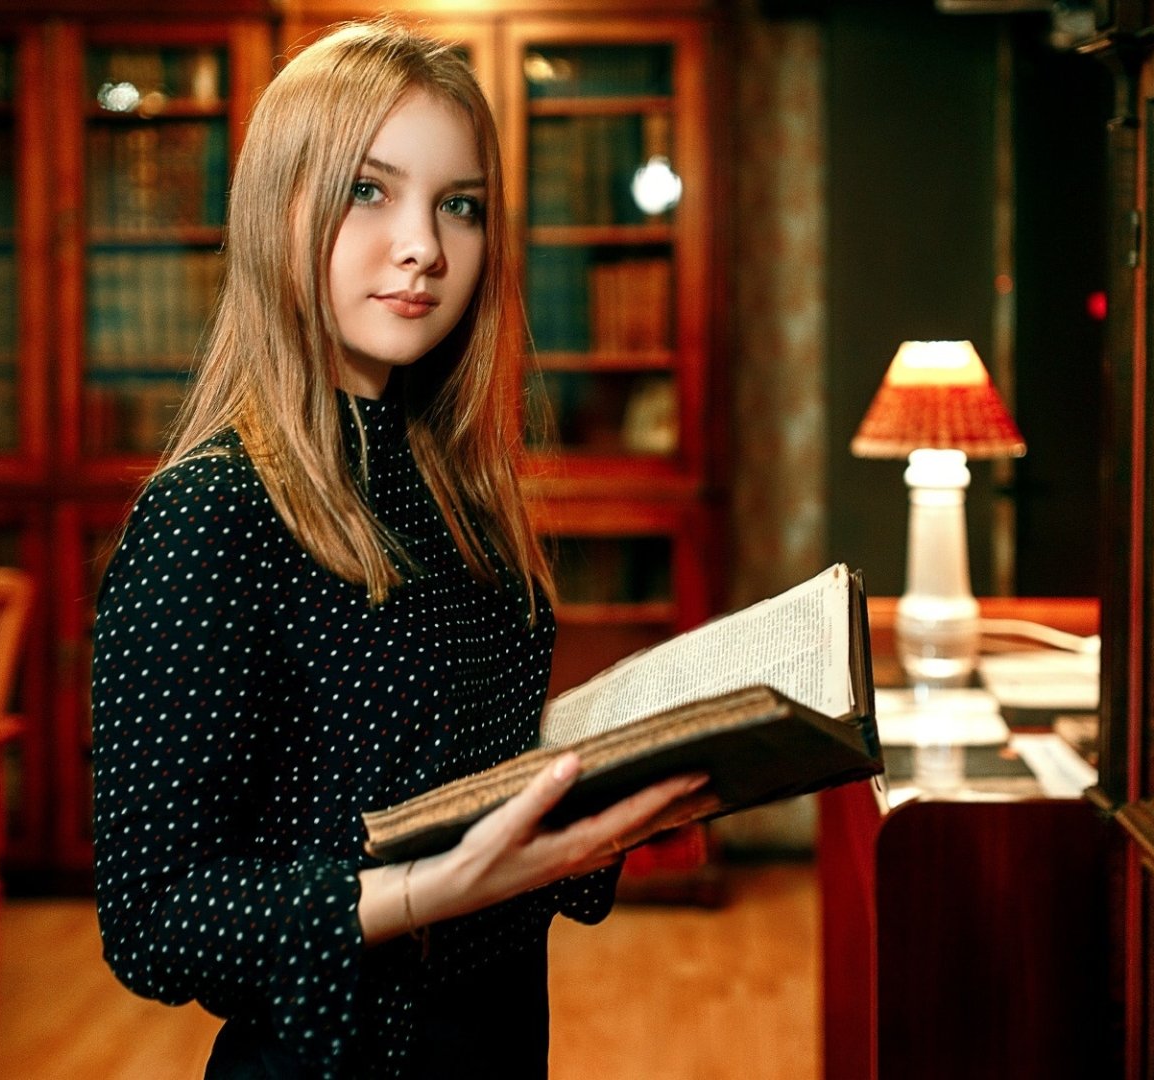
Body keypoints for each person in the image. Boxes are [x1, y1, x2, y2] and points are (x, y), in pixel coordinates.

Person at [90, 20, 709, 1079]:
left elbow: (454, 778)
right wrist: (429, 893)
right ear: (274, 210)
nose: (423, 245)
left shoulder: (457, 489)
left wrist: (595, 803)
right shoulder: (214, 514)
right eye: (370, 192)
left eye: (458, 204)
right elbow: (153, 918)